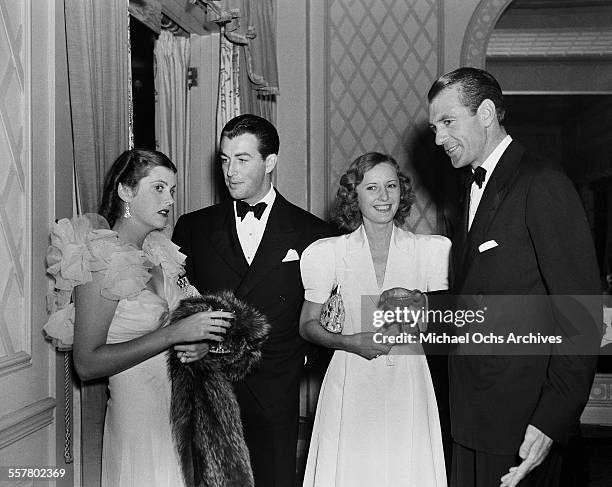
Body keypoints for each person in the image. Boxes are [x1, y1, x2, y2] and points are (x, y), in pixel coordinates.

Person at [427, 67, 601, 487]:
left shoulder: (542, 182)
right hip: (472, 416)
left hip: (522, 423)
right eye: (434, 127)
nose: (437, 139)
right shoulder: (468, 188)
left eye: (447, 122)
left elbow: (580, 314)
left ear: (486, 112)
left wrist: (551, 421)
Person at [43, 149, 233, 487]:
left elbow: (188, 321)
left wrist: (199, 343)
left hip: (177, 411)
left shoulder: (161, 253)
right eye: (158, 188)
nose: (169, 199)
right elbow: (86, 364)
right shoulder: (102, 259)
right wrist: (174, 334)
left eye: (172, 190)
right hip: (137, 419)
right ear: (125, 191)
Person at [172, 114, 335, 487]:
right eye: (225, 160)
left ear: (270, 162)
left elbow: (322, 320)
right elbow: (177, 307)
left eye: (242, 159)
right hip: (211, 391)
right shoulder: (193, 228)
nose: (230, 171)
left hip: (276, 391)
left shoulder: (314, 233)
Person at [299, 152, 450, 487]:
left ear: (402, 192)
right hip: (350, 380)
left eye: (391, 186)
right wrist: (350, 342)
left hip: (409, 382)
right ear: (355, 195)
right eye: (372, 188)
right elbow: (307, 324)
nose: (384, 197)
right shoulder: (329, 252)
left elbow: (447, 326)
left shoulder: (431, 252)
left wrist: (423, 310)